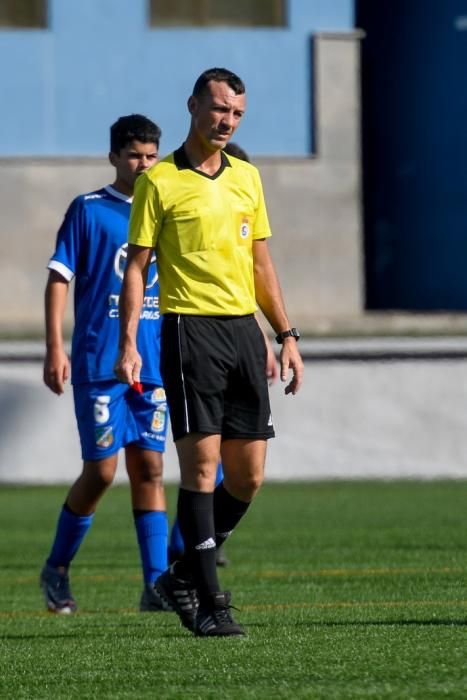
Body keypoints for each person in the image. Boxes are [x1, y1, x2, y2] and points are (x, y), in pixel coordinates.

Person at [114, 68, 304, 638]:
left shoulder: (247, 177)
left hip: (243, 334)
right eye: (219, 109)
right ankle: (210, 599)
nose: (227, 121)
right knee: (200, 467)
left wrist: (286, 335)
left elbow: (261, 263)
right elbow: (138, 267)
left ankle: (179, 575)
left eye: (237, 113)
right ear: (194, 105)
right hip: (189, 331)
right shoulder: (159, 181)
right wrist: (129, 340)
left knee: (247, 476)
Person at [40, 114, 172, 614]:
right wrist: (55, 346)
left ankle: (155, 587)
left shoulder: (165, 209)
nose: (143, 164)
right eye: (135, 155)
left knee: (151, 467)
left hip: (153, 364)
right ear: (114, 156)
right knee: (101, 472)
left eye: (151, 156)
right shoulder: (89, 210)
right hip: (99, 362)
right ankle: (56, 568)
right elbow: (59, 278)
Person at [167, 141, 279, 568]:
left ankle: (193, 557)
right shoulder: (176, 199)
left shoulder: (247, 192)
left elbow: (246, 279)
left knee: (242, 471)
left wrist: (270, 336)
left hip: (238, 340)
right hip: (183, 339)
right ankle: (185, 568)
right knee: (182, 465)